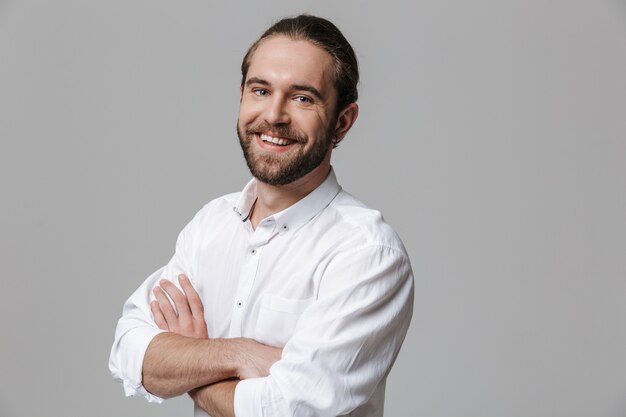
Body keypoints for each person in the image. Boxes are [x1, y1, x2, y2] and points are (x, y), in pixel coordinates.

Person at [109, 14, 414, 417]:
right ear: (241, 96)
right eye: (260, 90)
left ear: (343, 121)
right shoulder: (211, 225)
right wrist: (238, 354)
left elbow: (287, 408)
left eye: (303, 97)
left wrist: (192, 364)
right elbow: (130, 351)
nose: (274, 115)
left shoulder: (366, 253)